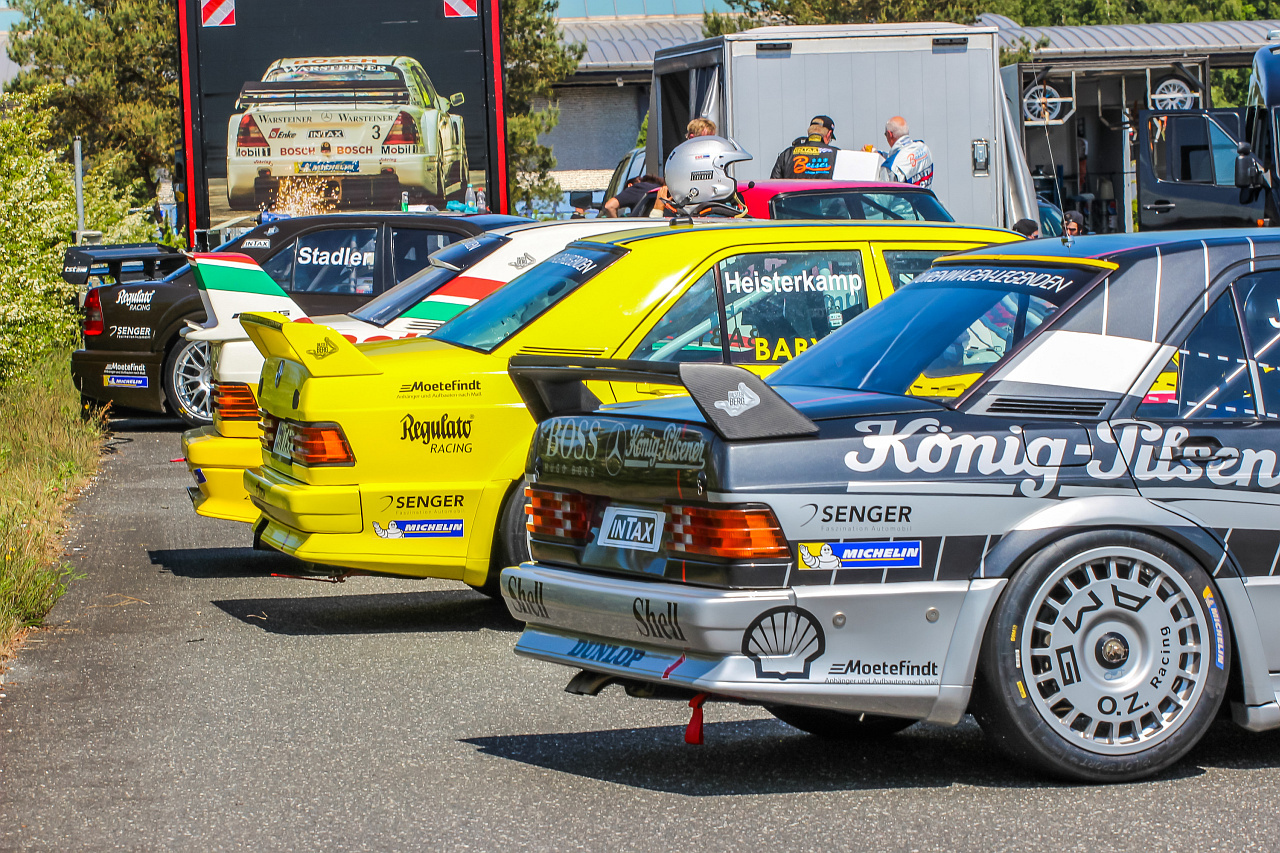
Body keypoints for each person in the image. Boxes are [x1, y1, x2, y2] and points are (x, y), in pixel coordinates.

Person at [770, 115, 839, 180]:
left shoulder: (787, 154)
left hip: (795, 189)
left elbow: (774, 184)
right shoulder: (838, 154)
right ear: (829, 134)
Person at [878, 116, 934, 188]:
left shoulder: (890, 168)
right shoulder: (924, 148)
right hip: (926, 194)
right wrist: (878, 153)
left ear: (890, 134)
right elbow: (898, 155)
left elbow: (885, 194)